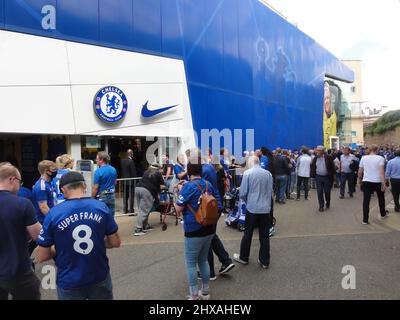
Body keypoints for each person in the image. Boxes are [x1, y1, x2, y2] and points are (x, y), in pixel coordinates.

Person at [37, 171, 121, 300]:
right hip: (98, 275)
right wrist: (98, 240)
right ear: (84, 186)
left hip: (69, 280)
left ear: (63, 190)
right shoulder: (100, 207)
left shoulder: (54, 214)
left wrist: (59, 247)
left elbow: (42, 256)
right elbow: (115, 242)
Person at [175, 159, 218, 300]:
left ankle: (194, 295)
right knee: (203, 260)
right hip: (209, 227)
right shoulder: (208, 184)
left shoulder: (188, 187)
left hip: (193, 229)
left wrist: (179, 192)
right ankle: (205, 292)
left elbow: (178, 209)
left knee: (191, 263)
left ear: (189, 171)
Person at [0, 162, 42, 300]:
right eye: (20, 182)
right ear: (12, 179)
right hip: (18, 272)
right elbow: (38, 236)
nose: (20, 186)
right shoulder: (22, 204)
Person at [233, 156, 273, 269]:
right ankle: (264, 261)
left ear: (250, 162)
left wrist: (248, 202)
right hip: (265, 208)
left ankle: (244, 257)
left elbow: (243, 192)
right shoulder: (268, 174)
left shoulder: (248, 173)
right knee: (264, 235)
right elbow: (270, 191)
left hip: (252, 208)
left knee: (248, 233)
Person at [201, 153, 235, 280]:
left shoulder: (205, 169)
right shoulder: (210, 168)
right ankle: (225, 261)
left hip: (211, 206)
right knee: (211, 236)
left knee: (207, 238)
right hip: (216, 205)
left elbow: (201, 187)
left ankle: (210, 272)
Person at [358, 145, 388, 224]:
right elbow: (381, 172)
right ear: (377, 150)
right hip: (377, 181)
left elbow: (360, 171)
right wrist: (383, 183)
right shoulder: (380, 158)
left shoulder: (363, 158)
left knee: (366, 201)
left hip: (366, 181)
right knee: (381, 198)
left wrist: (359, 180)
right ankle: (383, 214)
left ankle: (365, 219)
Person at [134, 163, 166, 236]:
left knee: (142, 209)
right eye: (161, 168)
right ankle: (138, 229)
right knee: (144, 210)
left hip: (138, 188)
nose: (162, 170)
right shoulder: (158, 173)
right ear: (158, 168)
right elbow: (162, 185)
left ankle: (145, 226)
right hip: (147, 191)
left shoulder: (146, 172)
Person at [92, 151, 117, 216]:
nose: (96, 160)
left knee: (101, 216)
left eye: (97, 159)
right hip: (112, 195)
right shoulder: (113, 169)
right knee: (111, 216)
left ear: (101, 160)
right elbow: (115, 182)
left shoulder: (98, 171)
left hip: (102, 196)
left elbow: (96, 187)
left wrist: (92, 197)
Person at [32, 160, 57, 226]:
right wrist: (54, 220)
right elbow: (43, 207)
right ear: (47, 171)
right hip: (43, 221)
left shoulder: (49, 183)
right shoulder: (41, 186)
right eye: (53, 169)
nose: (55, 171)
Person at [310, 146, 335, 212]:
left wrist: (333, 177)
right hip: (318, 177)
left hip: (327, 177)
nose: (317, 152)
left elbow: (332, 167)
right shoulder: (315, 158)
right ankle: (321, 206)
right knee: (319, 191)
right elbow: (313, 166)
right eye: (316, 150)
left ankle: (328, 202)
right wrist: (312, 175)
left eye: (318, 150)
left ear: (323, 151)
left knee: (327, 191)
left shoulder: (329, 157)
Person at [120, 149, 137, 214]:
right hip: (130, 181)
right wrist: (136, 180)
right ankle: (131, 210)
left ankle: (125, 210)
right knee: (131, 196)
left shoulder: (122, 161)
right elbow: (133, 172)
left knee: (125, 196)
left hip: (124, 181)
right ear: (131, 154)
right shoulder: (131, 161)